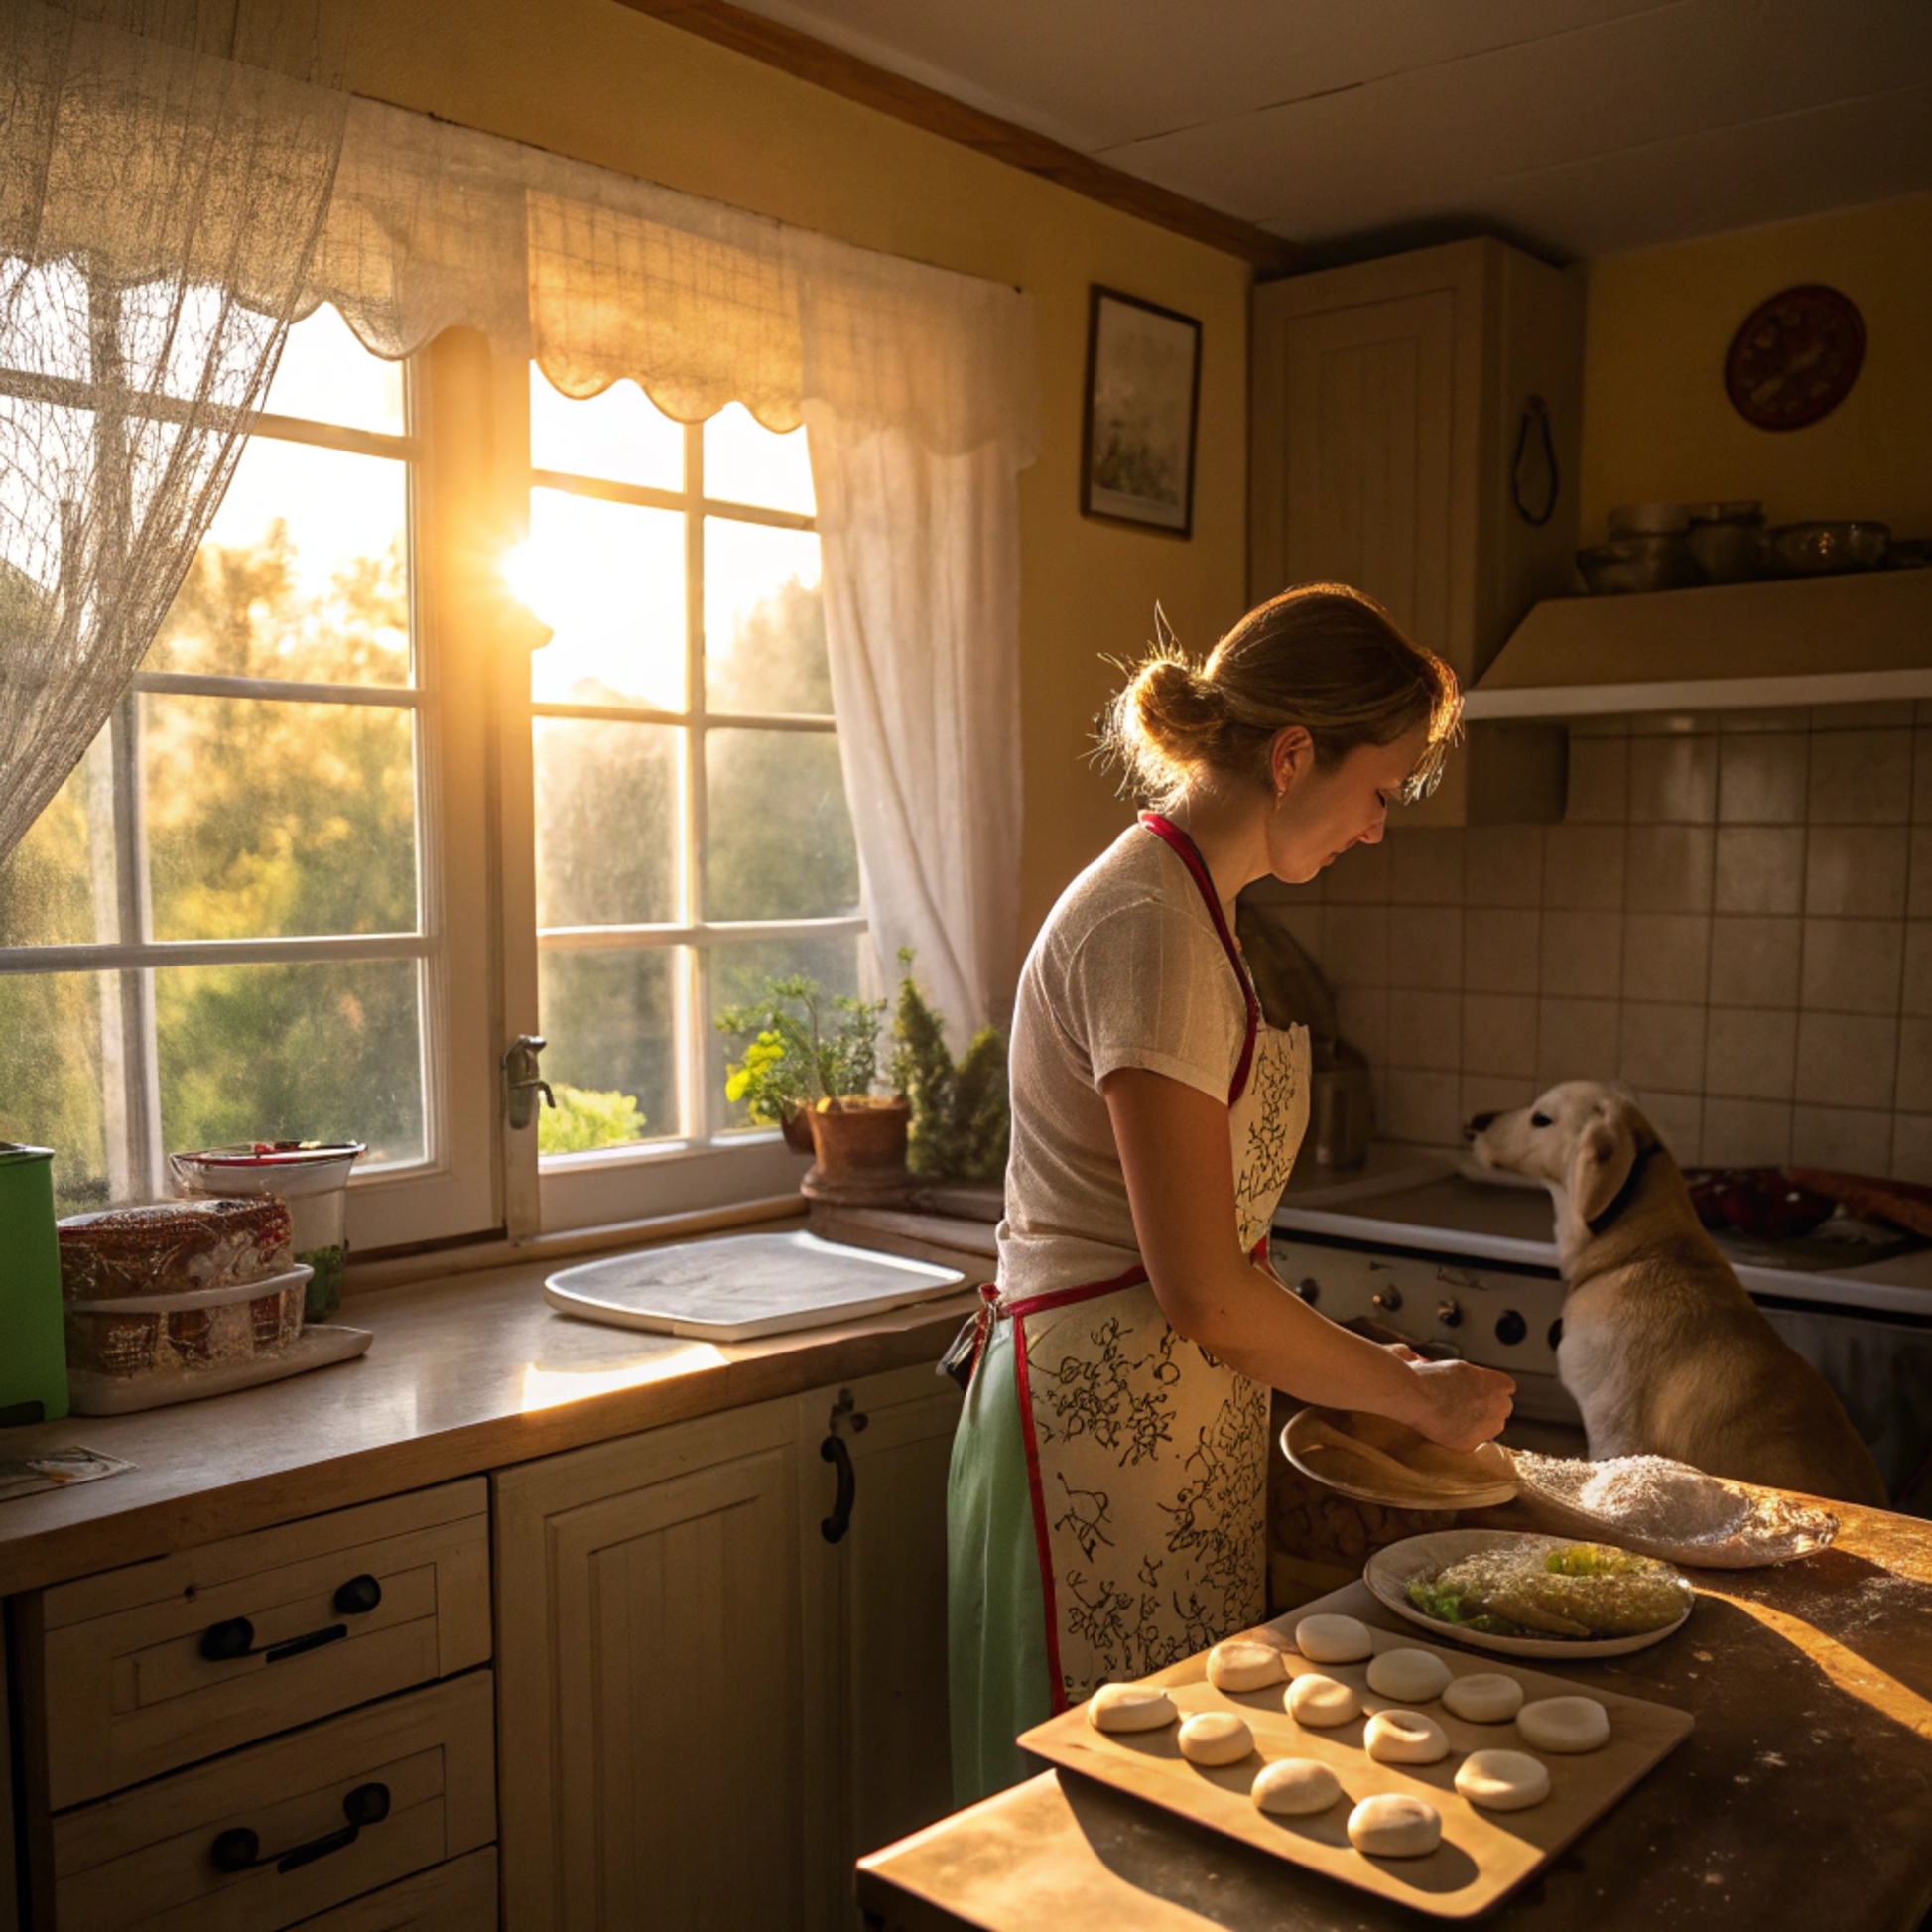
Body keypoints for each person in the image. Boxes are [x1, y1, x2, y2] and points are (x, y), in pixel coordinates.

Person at [947, 583, 1516, 1802]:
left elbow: (1214, 1263)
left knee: (1176, 1791)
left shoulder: (1193, 916)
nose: (1377, 827)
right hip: (1094, 1444)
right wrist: (1411, 1397)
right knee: (1100, 1820)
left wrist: (1347, 1359)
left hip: (1163, 1430)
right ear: (1294, 754)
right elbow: (1202, 1290)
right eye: (1382, 788)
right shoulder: (1151, 933)